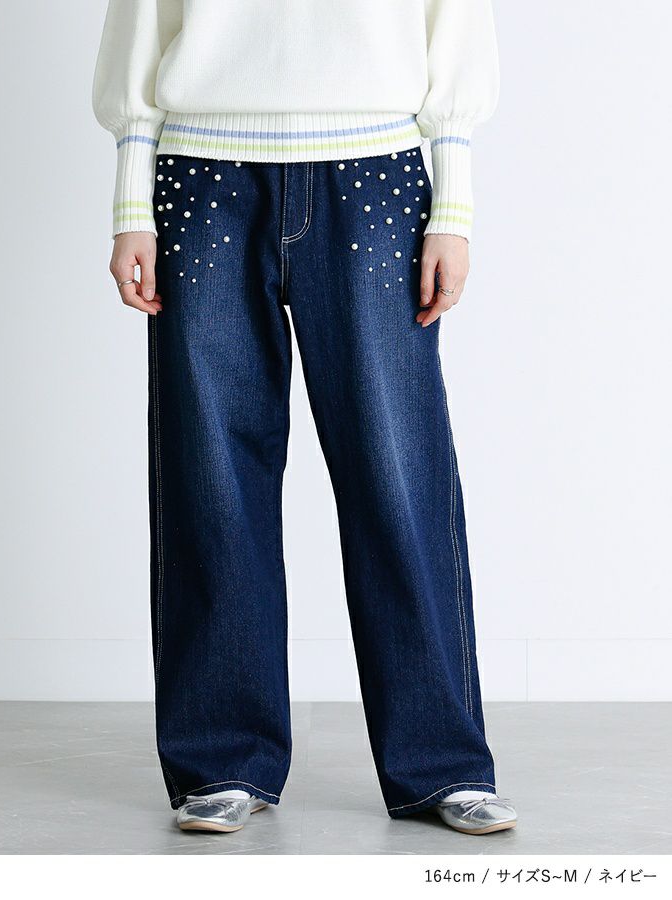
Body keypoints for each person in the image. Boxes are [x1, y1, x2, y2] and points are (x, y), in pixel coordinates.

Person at [93, 0, 516, 837]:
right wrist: (130, 200)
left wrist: (455, 201)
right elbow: (143, 17)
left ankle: (441, 761)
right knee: (211, 479)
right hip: (203, 175)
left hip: (376, 172)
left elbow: (455, 18)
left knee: (397, 475)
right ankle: (222, 759)